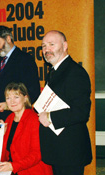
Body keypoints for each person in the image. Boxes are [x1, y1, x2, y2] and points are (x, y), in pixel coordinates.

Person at [38, 30, 92, 175]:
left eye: (51, 44)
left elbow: (81, 112)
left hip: (70, 152)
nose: (46, 50)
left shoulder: (75, 72)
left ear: (65, 45)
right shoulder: (54, 71)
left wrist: (49, 117)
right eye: (43, 46)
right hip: (59, 151)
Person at [0, 25, 40, 123]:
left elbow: (33, 92)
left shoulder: (25, 59)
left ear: (8, 38)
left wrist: (8, 105)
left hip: (18, 118)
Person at [0, 82, 53, 175]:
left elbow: (37, 154)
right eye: (8, 98)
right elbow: (6, 153)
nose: (12, 101)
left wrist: (13, 166)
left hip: (34, 171)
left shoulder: (34, 119)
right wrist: (0, 136)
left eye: (16, 97)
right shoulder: (9, 119)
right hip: (13, 171)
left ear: (25, 98)